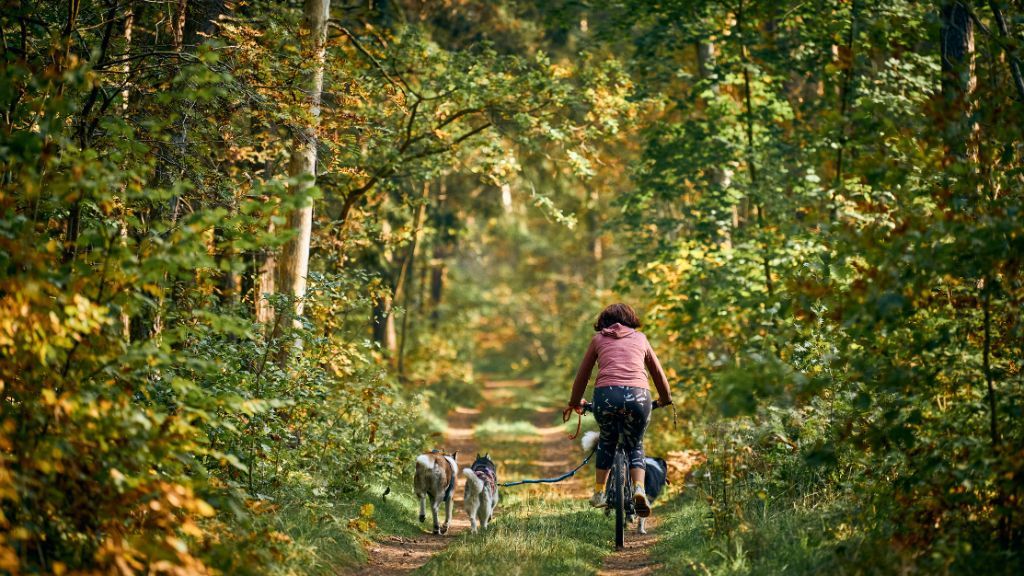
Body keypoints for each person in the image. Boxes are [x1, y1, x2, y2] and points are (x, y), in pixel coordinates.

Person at [566, 303, 672, 517]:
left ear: (603, 322)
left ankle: (598, 493)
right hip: (639, 396)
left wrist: (574, 402)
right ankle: (639, 489)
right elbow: (657, 373)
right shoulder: (641, 338)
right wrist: (665, 398)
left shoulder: (598, 340)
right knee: (635, 443)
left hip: (607, 396)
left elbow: (583, 375)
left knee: (607, 439)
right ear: (631, 320)